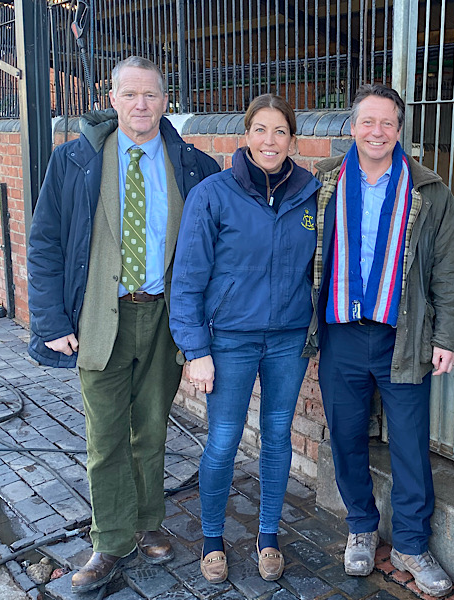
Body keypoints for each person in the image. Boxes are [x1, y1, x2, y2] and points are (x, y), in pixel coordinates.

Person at [26, 56, 220, 592]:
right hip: (99, 316)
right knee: (106, 433)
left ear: (166, 100)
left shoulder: (193, 166)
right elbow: (45, 242)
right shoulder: (75, 161)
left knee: (152, 427)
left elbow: (214, 250)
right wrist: (50, 319)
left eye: (151, 94)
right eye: (129, 94)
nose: (140, 104)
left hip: (164, 316)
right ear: (111, 99)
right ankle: (110, 538)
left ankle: (148, 521)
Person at [305, 84, 454, 598]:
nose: (377, 132)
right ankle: (361, 526)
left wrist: (447, 336)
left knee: (410, 445)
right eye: (368, 122)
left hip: (404, 335)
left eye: (388, 123)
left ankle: (412, 546)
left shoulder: (429, 190)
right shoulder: (323, 182)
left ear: (399, 130)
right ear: (352, 127)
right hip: (341, 334)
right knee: (347, 436)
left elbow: (448, 269)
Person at [169, 94, 322, 583]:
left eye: (280, 131)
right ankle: (212, 539)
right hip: (230, 339)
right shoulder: (213, 194)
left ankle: (268, 535)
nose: (269, 141)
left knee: (277, 435)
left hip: (288, 338)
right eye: (260, 129)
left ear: (293, 139)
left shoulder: (311, 194)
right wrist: (196, 349)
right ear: (246, 135)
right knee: (223, 439)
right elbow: (187, 278)